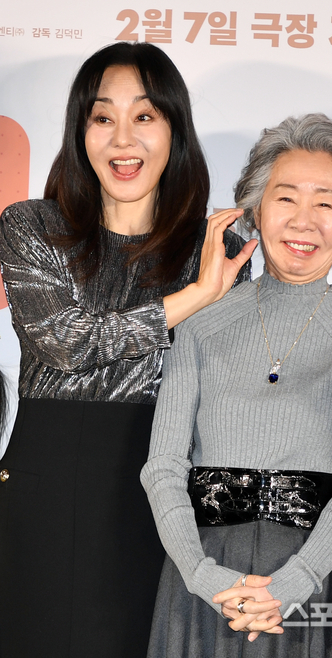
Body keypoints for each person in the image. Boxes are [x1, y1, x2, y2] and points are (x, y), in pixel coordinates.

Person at [0, 42, 255, 658]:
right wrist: (194, 297)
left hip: (162, 492)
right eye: (102, 117)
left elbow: (222, 394)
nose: (122, 139)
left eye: (144, 116)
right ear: (79, 131)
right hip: (48, 486)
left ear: (174, 130)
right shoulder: (32, 227)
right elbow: (66, 344)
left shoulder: (217, 251)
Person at [141, 113, 332, 658]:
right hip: (204, 578)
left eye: (326, 203)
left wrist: (293, 583)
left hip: (313, 579)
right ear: (255, 210)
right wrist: (203, 576)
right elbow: (163, 465)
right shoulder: (200, 322)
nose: (304, 221)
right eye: (286, 198)